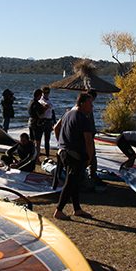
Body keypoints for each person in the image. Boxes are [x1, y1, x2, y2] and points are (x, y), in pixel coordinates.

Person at [53, 92, 94, 220]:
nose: (92, 107)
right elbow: (88, 140)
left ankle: (77, 209)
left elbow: (56, 128)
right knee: (71, 182)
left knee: (75, 181)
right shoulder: (83, 118)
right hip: (74, 154)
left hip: (64, 152)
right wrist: (90, 157)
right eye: (90, 104)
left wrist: (61, 143)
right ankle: (59, 210)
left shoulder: (68, 113)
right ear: (82, 103)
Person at [38, 86, 56, 158]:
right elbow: (43, 107)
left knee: (47, 139)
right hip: (43, 120)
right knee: (38, 139)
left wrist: (54, 122)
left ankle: (47, 155)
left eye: (48, 92)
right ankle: (37, 153)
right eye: (45, 92)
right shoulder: (40, 100)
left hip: (49, 121)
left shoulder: (49, 100)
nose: (46, 94)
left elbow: (52, 111)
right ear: (42, 93)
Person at [27, 88, 46, 157]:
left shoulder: (30, 102)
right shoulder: (36, 104)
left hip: (30, 122)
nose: (41, 97)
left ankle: (30, 155)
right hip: (36, 123)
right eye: (41, 95)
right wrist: (45, 109)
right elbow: (40, 115)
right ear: (39, 95)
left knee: (31, 140)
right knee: (38, 141)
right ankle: (37, 157)